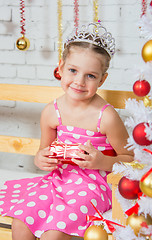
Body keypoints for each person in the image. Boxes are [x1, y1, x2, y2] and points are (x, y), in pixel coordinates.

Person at [0, 22, 133, 240]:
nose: (79, 82)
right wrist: (41, 159)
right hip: (58, 179)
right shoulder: (51, 112)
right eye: (73, 70)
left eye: (90, 75)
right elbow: (43, 152)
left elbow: (131, 160)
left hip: (94, 185)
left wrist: (101, 162)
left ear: (102, 79)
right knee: (21, 222)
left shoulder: (106, 117)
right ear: (60, 67)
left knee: (54, 233)